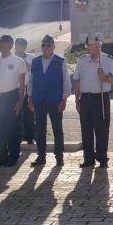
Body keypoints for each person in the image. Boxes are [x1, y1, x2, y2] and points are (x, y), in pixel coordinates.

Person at [73, 34, 113, 168]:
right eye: (92, 45)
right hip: (85, 99)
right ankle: (88, 159)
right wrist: (77, 100)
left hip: (101, 97)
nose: (95, 47)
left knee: (102, 130)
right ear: (87, 46)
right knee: (86, 130)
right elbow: (76, 80)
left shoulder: (108, 60)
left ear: (100, 45)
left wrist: (105, 77)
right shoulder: (82, 60)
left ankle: (102, 158)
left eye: (97, 44)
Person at [28, 34, 72, 167]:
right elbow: (30, 81)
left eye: (48, 45)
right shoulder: (35, 61)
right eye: (43, 45)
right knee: (40, 129)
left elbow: (66, 82)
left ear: (53, 46)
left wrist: (64, 99)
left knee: (57, 129)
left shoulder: (60, 61)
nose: (45, 47)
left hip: (55, 100)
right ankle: (41, 156)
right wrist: (30, 97)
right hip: (39, 100)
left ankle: (59, 157)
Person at [0, 34, 26, 167]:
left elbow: (22, 85)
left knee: (12, 129)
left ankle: (13, 156)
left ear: (10, 44)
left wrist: (20, 102)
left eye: (3, 42)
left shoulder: (18, 61)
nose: (0, 45)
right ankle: (1, 156)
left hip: (11, 97)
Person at [14, 37, 36, 145]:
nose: (20, 47)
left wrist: (22, 60)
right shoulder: (10, 57)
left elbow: (32, 71)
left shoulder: (31, 57)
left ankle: (29, 137)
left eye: (22, 45)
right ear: (15, 45)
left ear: (25, 46)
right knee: (15, 115)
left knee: (29, 115)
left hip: (28, 89)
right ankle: (16, 138)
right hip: (14, 89)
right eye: (18, 45)